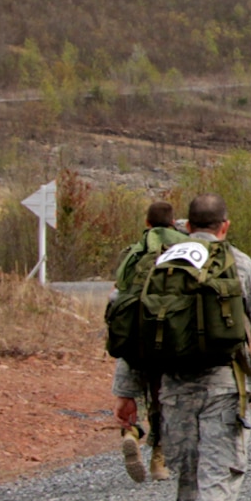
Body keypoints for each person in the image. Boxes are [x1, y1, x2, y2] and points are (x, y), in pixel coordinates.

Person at [111, 194, 251, 501]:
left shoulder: (160, 263)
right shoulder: (238, 263)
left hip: (171, 388)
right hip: (224, 384)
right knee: (220, 472)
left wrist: (126, 391)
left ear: (188, 226)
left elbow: (134, 329)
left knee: (188, 474)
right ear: (225, 225)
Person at [110, 201, 185, 484]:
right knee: (162, 396)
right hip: (173, 336)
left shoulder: (133, 252)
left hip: (138, 337)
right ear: (174, 222)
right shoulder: (186, 247)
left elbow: (118, 295)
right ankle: (159, 458)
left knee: (133, 385)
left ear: (147, 223)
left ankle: (130, 431)